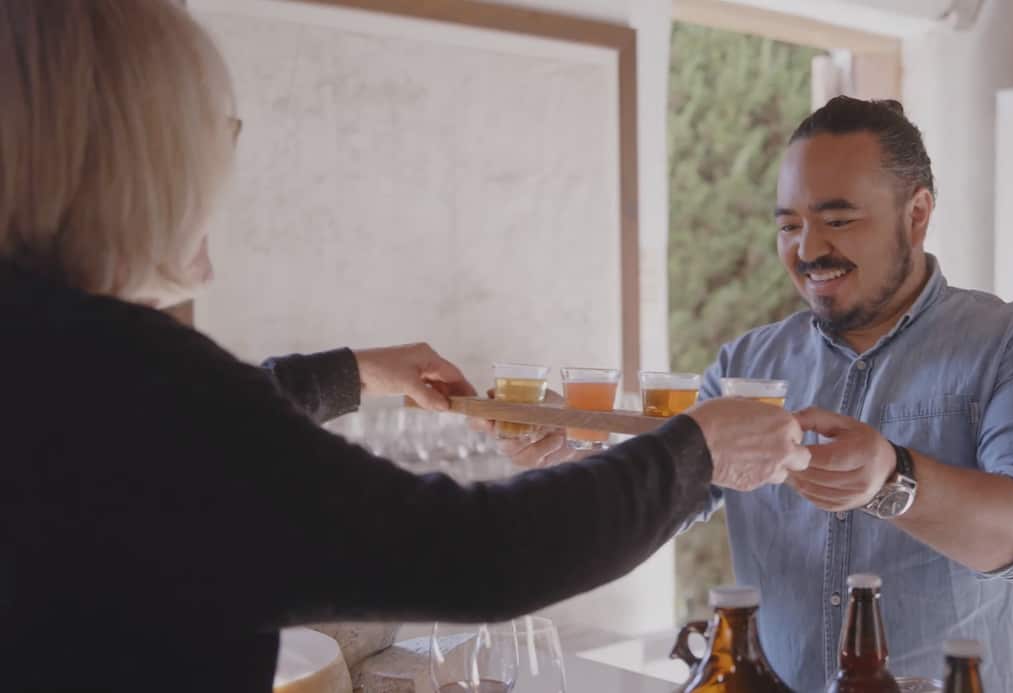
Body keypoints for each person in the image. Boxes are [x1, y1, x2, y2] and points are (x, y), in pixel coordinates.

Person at [0, 1, 811, 691]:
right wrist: (693, 451)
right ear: (151, 159)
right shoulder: (140, 376)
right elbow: (481, 554)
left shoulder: (62, 363)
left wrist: (355, 373)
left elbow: (181, 444)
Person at [505, 97, 1013, 693]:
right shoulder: (747, 365)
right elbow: (674, 487)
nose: (808, 249)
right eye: (789, 225)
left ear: (916, 213)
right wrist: (580, 455)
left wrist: (893, 478)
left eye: (838, 220)